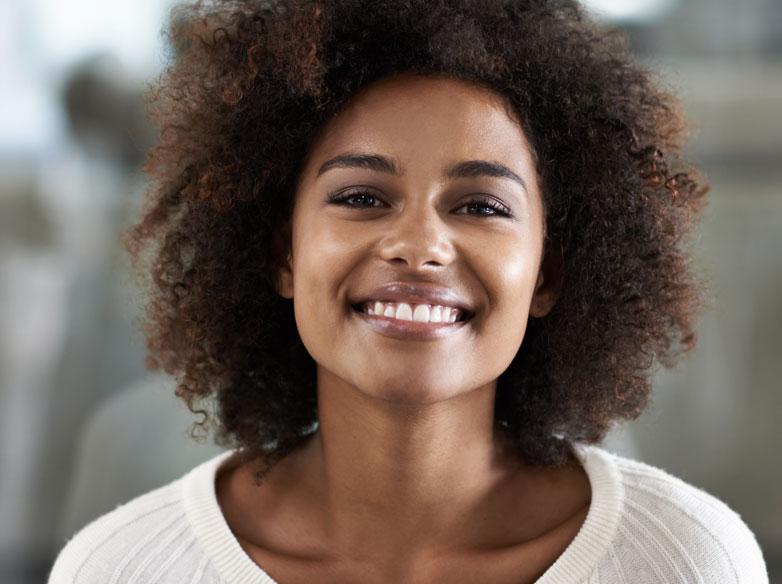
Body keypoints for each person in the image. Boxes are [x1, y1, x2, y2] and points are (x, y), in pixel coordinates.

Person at [49, 0, 769, 582]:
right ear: (283, 254)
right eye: (362, 196)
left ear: (547, 273)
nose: (420, 246)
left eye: (481, 205)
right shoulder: (121, 568)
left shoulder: (685, 561)